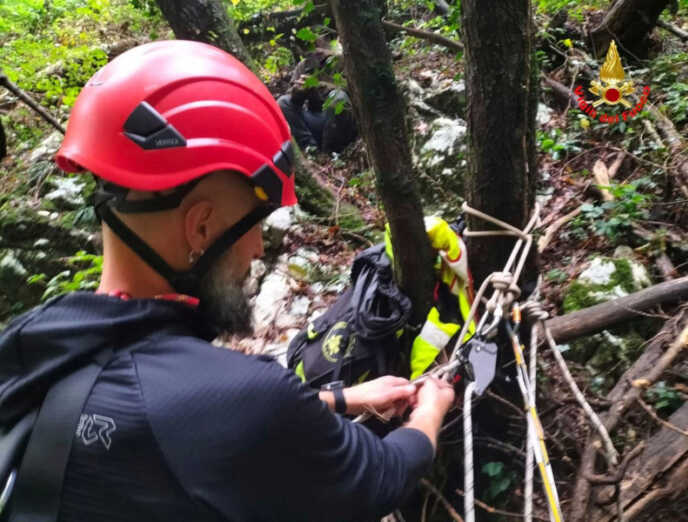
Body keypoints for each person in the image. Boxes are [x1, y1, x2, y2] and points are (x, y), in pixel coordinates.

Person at [0, 41, 454, 521]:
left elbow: (177, 414)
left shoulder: (35, 342)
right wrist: (432, 408)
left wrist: (343, 398)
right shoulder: (244, 398)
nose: (258, 248)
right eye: (254, 222)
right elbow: (382, 474)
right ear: (200, 228)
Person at [277, 45, 358, 154]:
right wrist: (297, 95)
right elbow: (291, 101)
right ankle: (311, 151)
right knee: (283, 102)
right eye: (307, 45)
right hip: (314, 120)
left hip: (339, 123)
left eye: (317, 43)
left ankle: (330, 152)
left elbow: (352, 93)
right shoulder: (303, 66)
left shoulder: (340, 62)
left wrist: (318, 87)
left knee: (338, 98)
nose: (314, 49)